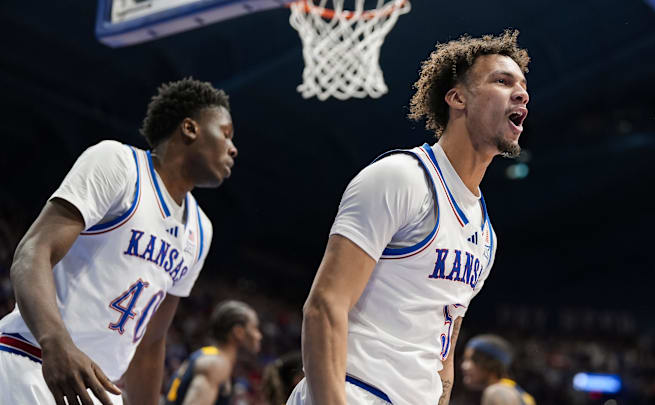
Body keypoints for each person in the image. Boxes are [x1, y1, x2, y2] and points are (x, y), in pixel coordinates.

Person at [287, 29, 530, 405]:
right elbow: (324, 305)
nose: (521, 93)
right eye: (502, 80)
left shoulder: (486, 235)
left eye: (523, 85)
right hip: (353, 392)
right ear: (457, 97)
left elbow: (443, 353)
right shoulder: (403, 177)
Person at [0, 78, 237, 405]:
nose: (233, 148)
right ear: (190, 128)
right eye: (226, 134)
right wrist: (56, 341)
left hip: (98, 390)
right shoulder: (119, 164)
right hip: (33, 360)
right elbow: (32, 252)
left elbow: (151, 342)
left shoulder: (201, 230)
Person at [165, 300, 262, 405]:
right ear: (238, 332)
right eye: (254, 328)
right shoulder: (215, 365)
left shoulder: (208, 355)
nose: (259, 335)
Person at [461, 334, 535, 405]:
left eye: (473, 360)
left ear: (490, 364)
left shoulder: (497, 392)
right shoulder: (510, 389)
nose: (464, 366)